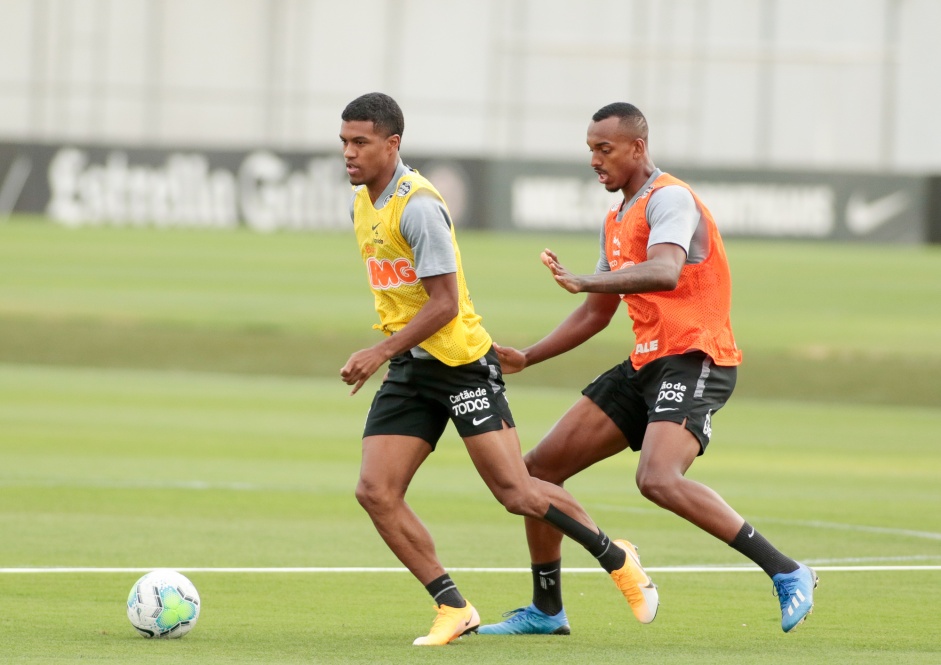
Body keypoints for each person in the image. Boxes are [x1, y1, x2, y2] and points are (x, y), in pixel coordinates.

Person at [480, 102, 817, 636]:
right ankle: (547, 611)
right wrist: (529, 355)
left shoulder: (671, 200)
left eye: (604, 149)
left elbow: (663, 271)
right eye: (590, 149)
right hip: (648, 363)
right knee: (536, 473)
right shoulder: (616, 218)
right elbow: (596, 314)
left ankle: (787, 570)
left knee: (657, 478)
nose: (594, 160)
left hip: (696, 356)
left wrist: (585, 279)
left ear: (637, 147)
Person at [338, 92, 659, 646]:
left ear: (392, 145)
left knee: (518, 493)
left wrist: (378, 352)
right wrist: (392, 353)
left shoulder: (417, 206)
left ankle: (616, 556)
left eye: (360, 142)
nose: (348, 153)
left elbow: (443, 303)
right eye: (344, 142)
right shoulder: (363, 202)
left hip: (461, 365)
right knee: (375, 491)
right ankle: (452, 607)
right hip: (412, 370)